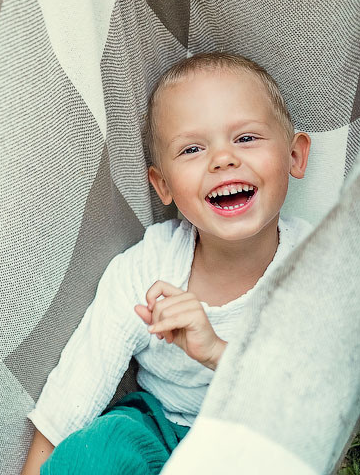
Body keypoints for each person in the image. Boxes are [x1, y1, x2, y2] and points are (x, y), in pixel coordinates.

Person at [20, 53, 312, 475]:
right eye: (193, 149)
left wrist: (215, 352)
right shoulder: (149, 265)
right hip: (161, 427)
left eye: (246, 138)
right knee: (98, 447)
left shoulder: (318, 271)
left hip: (259, 439)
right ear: (163, 185)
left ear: (295, 157)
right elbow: (76, 391)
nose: (223, 159)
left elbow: (313, 403)